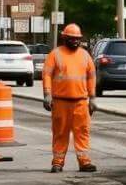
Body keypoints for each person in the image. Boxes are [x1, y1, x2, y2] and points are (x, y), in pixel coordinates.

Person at [42, 23, 97, 172]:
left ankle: (84, 162)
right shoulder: (55, 54)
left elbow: (91, 77)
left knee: (82, 132)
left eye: (77, 39)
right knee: (60, 133)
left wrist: (92, 98)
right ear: (64, 38)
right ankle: (58, 162)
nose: (75, 41)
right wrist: (47, 94)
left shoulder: (85, 56)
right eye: (71, 38)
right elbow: (46, 74)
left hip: (80, 102)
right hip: (60, 102)